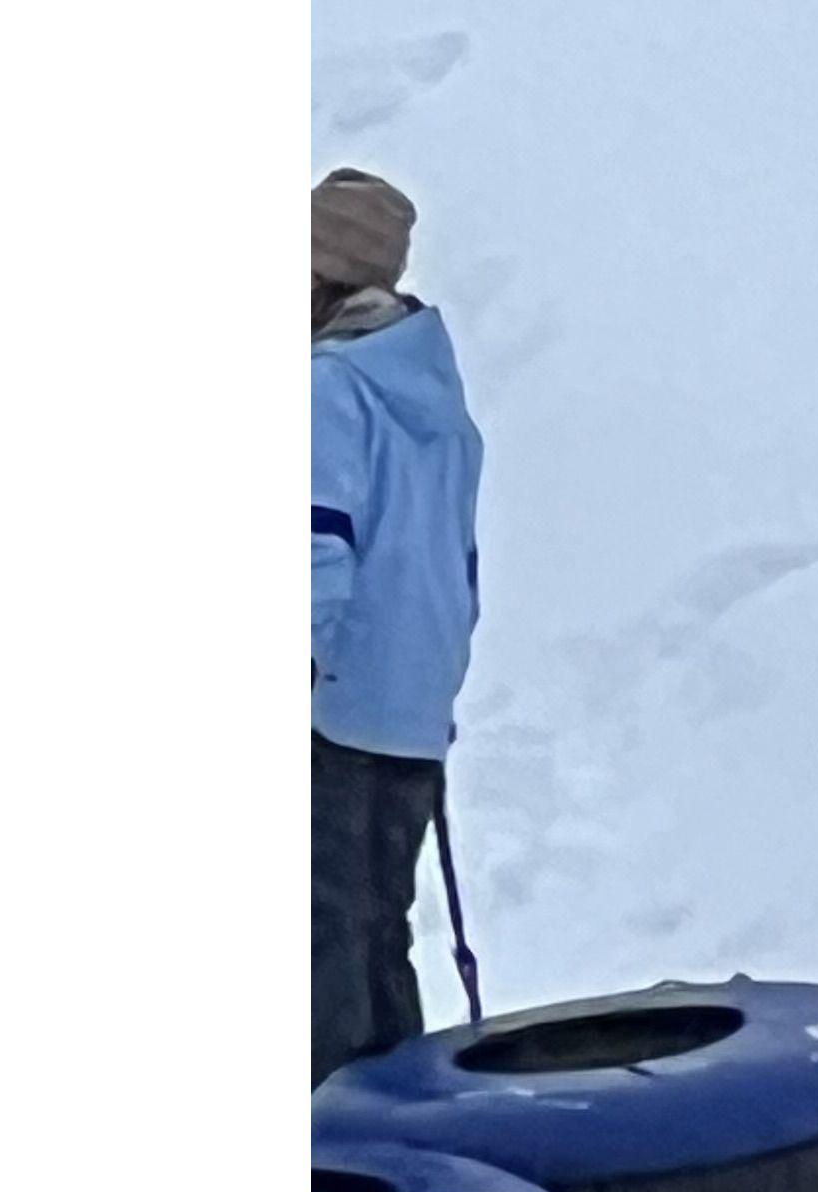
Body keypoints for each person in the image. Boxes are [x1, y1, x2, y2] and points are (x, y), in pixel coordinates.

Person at [312, 168, 484, 1085]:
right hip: (411, 713)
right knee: (378, 926)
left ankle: (329, 1151)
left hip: (330, 710)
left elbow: (312, 545)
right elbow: (455, 569)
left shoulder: (325, 391)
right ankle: (406, 1130)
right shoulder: (438, 406)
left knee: (315, 935)